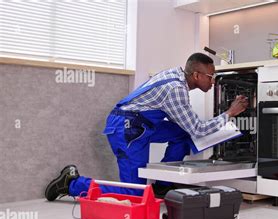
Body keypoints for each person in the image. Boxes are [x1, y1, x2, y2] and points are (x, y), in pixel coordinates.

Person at [44, 53, 248, 200]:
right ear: (196, 75)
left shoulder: (176, 75)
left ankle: (162, 185)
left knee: (183, 135)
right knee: (134, 194)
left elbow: (188, 128)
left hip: (142, 125)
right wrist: (229, 113)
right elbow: (198, 130)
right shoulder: (175, 90)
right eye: (211, 77)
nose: (213, 81)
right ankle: (71, 184)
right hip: (127, 130)